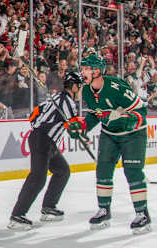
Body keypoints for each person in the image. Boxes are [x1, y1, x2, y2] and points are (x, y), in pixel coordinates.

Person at [67, 54, 151, 234]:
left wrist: (122, 117)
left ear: (97, 71)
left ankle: (142, 214)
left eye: (86, 69)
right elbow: (95, 115)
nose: (82, 72)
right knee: (103, 170)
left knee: (133, 172)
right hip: (109, 134)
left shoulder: (116, 87)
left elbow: (140, 112)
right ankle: (104, 210)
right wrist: (81, 126)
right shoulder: (88, 91)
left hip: (133, 135)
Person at [8, 71, 83, 230]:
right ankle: (17, 216)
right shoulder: (68, 102)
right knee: (37, 178)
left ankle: (49, 207)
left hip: (44, 140)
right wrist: (81, 134)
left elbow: (34, 115)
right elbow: (73, 128)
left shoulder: (55, 97)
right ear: (75, 87)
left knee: (62, 171)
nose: (81, 90)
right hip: (43, 141)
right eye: (80, 86)